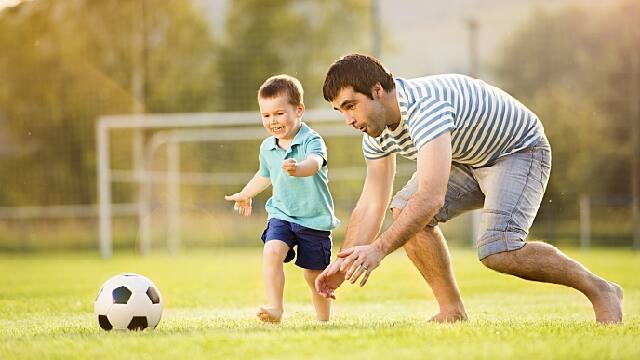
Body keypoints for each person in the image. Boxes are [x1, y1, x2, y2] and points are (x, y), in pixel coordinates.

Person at [314, 53, 623, 324]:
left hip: (517, 151)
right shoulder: (375, 132)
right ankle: (452, 311)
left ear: (377, 91)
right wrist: (345, 261)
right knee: (403, 209)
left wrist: (379, 249)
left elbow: (431, 197)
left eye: (350, 106)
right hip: (467, 158)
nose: (347, 120)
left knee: (498, 250)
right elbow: (372, 201)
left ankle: (601, 289)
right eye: (340, 111)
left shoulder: (425, 109)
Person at [225, 74, 340, 323]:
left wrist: (298, 168)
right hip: (282, 214)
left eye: (279, 113)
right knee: (272, 251)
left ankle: (323, 320)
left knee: (313, 275)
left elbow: (315, 163)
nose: (272, 121)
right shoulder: (267, 147)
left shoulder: (312, 140)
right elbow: (265, 174)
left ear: (299, 110)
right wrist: (246, 194)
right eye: (266, 115)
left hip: (314, 219)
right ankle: (275, 308)